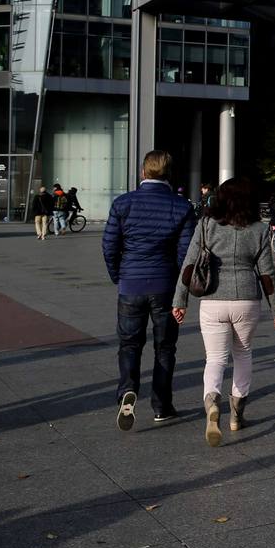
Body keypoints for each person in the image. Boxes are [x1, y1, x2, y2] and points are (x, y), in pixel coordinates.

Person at [172, 178, 275, 447]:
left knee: (215, 359)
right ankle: (236, 415)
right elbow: (267, 274)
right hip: (247, 299)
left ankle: (212, 403)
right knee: (243, 353)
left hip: (213, 299)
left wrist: (180, 301)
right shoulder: (259, 229)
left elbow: (189, 265)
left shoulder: (206, 225)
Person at [102, 150, 197, 430]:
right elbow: (186, 254)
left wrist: (119, 275)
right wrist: (180, 286)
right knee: (165, 347)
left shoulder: (123, 203)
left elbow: (109, 246)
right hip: (165, 284)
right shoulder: (181, 206)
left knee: (129, 344)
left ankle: (127, 390)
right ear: (169, 174)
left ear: (143, 172)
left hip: (131, 284)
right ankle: (161, 405)